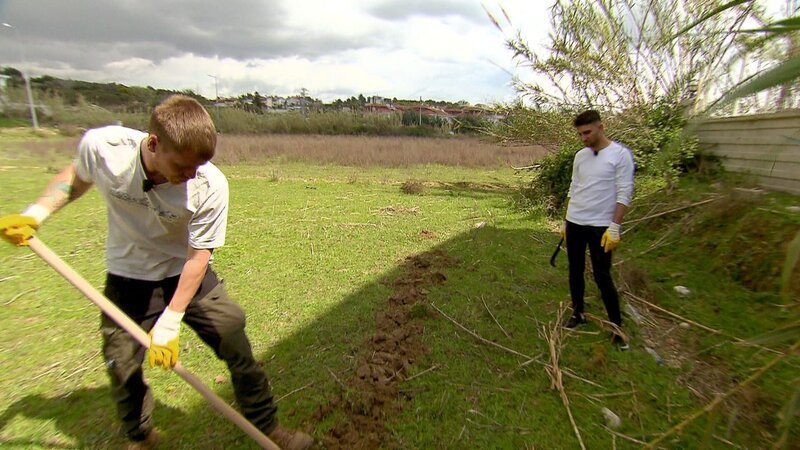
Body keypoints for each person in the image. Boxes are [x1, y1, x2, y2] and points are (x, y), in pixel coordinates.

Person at [0, 95, 313, 450]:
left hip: (185, 272)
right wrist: (36, 213)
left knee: (233, 336)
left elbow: (198, 258)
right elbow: (77, 176)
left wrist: (170, 321)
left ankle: (269, 427)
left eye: (198, 166)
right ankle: (141, 436)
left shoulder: (210, 185)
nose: (190, 175)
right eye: (182, 166)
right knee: (121, 363)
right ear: (153, 143)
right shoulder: (104, 148)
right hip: (128, 276)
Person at [560, 109, 634, 350]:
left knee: (603, 276)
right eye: (580, 134)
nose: (584, 138)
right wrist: (565, 220)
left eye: (587, 132)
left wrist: (615, 226)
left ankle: (617, 328)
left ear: (601, 127)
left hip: (601, 226)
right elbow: (574, 188)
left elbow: (624, 193)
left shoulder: (620, 155)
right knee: (575, 270)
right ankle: (578, 312)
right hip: (575, 221)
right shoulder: (580, 156)